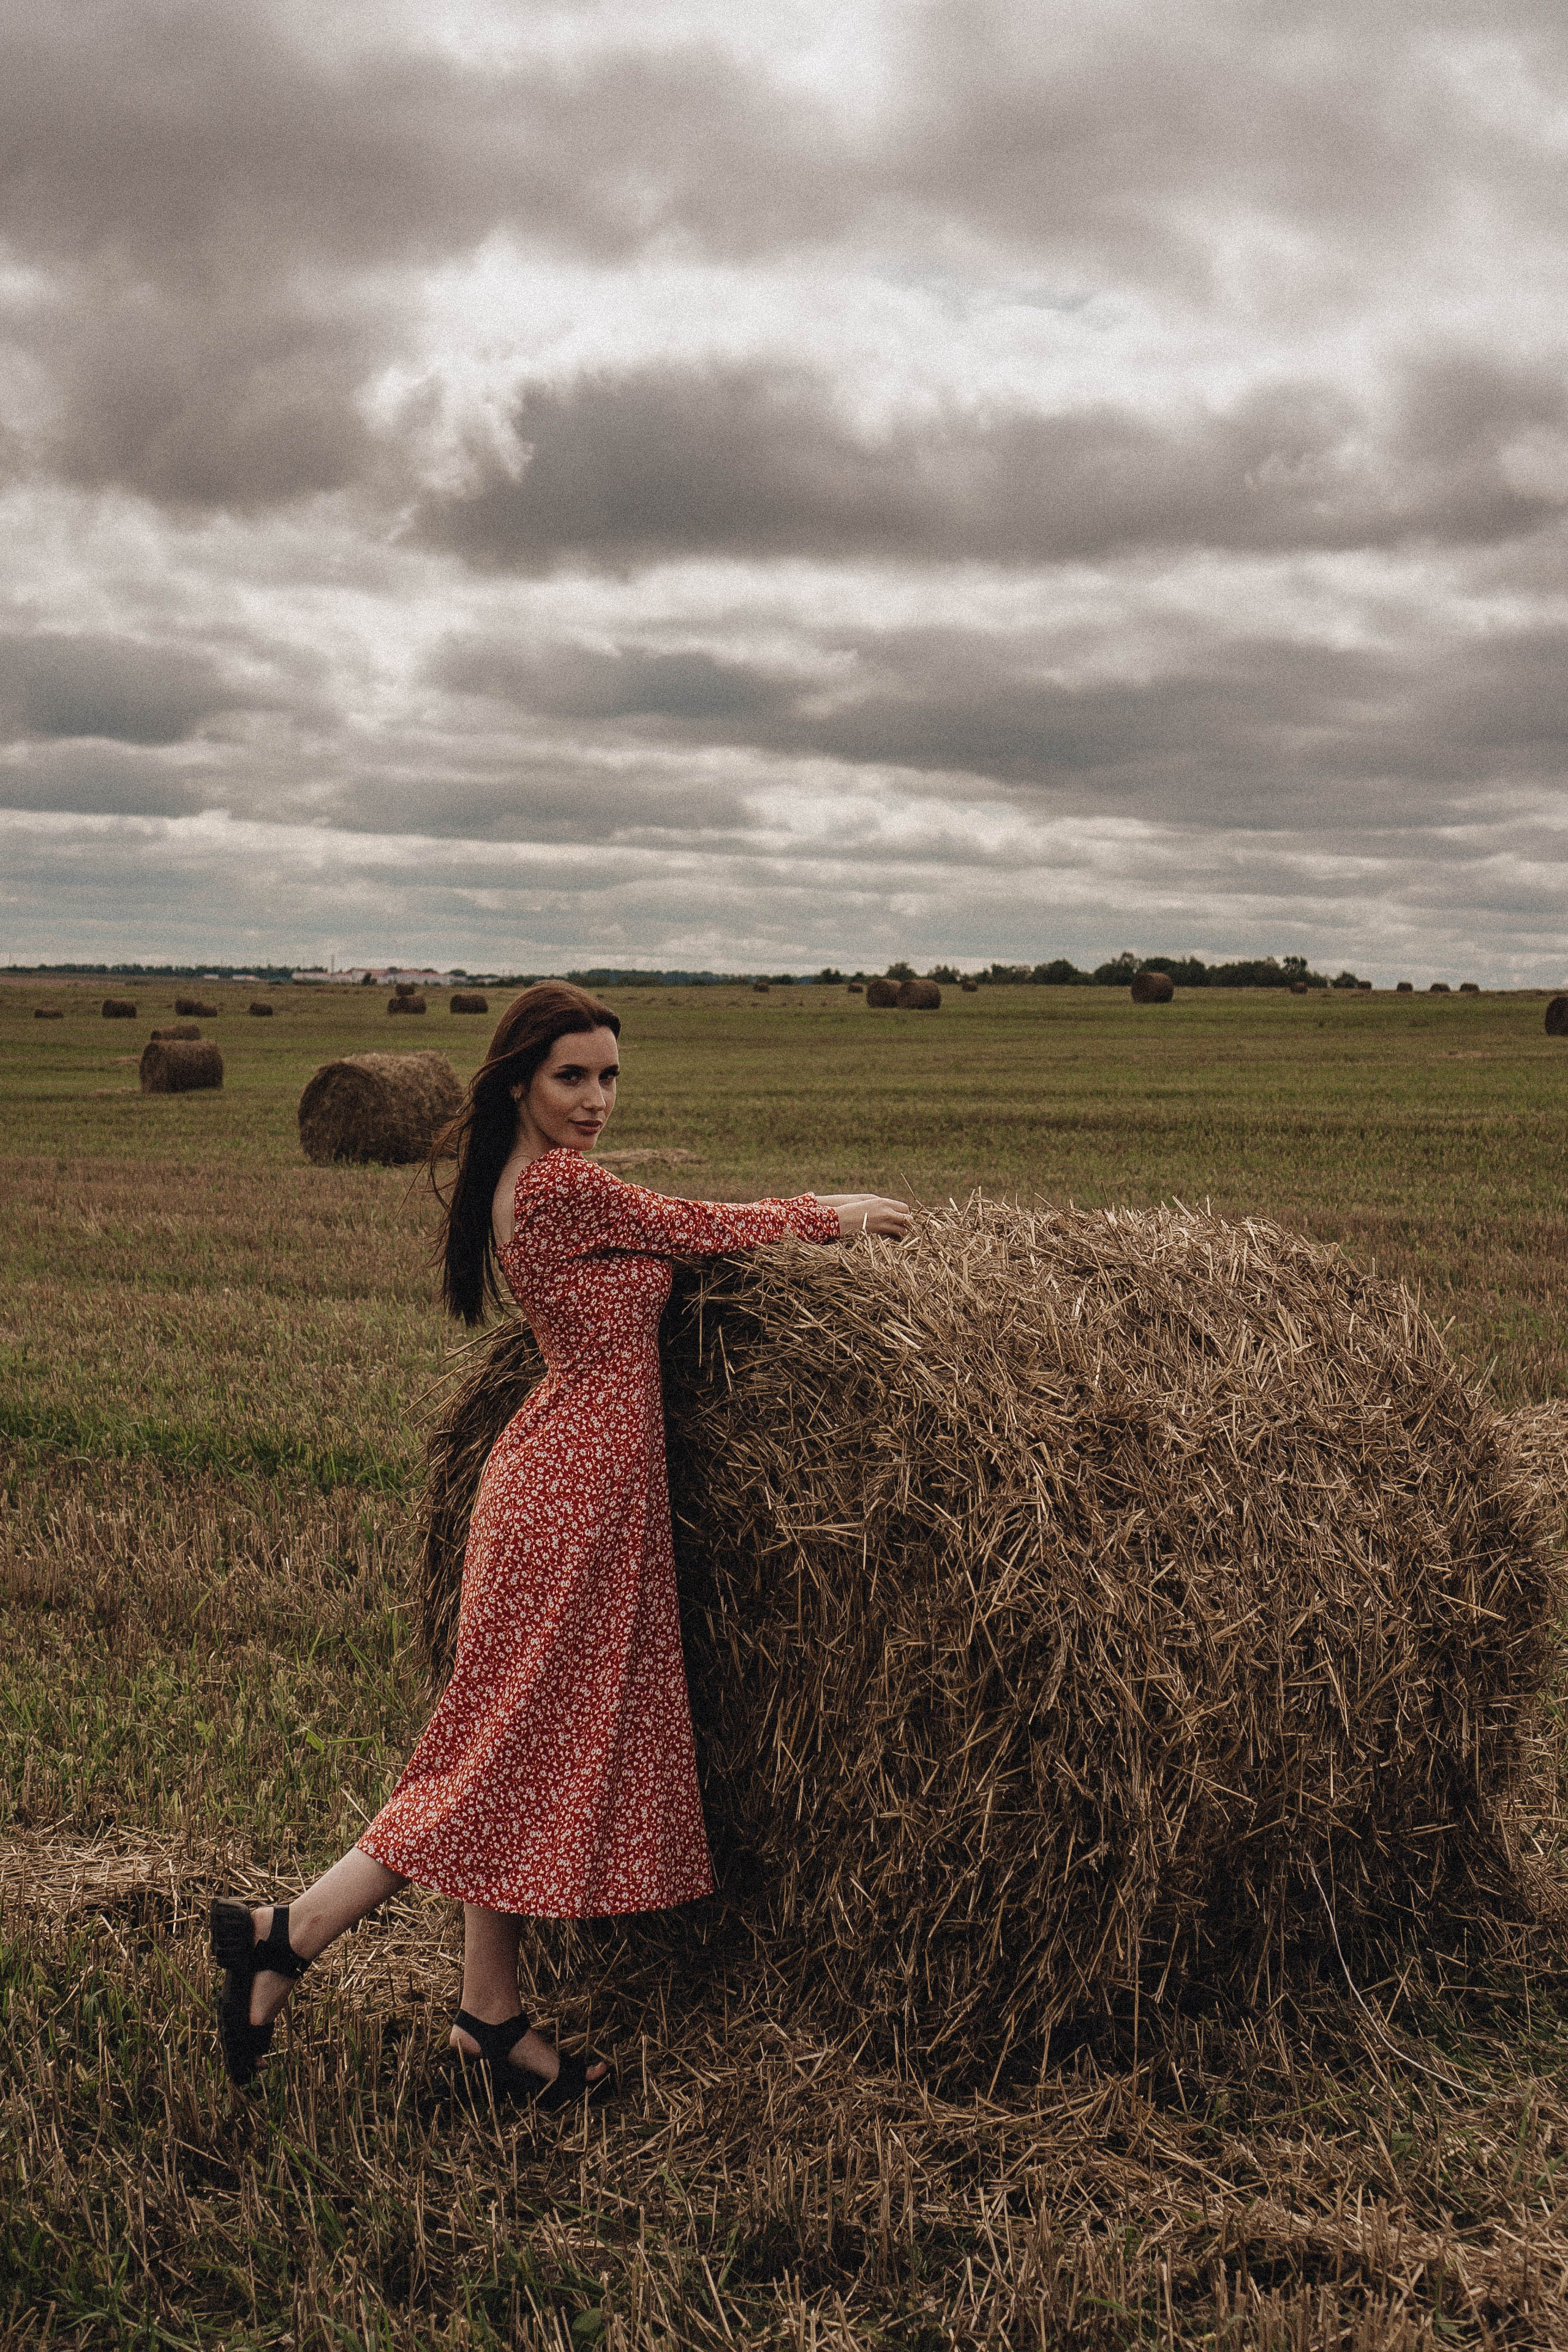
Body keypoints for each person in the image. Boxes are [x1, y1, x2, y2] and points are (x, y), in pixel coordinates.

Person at [211, 980, 911, 2106]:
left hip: (571, 1482)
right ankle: (283, 1934)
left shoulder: (524, 1179)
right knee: (489, 1759)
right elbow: (701, 1230)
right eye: (571, 1077)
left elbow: (668, 1249)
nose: (596, 1099)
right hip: (571, 1497)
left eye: (609, 1077)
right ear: (523, 1083)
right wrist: (837, 1210)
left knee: (517, 1748)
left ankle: (489, 2020)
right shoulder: (563, 1187)